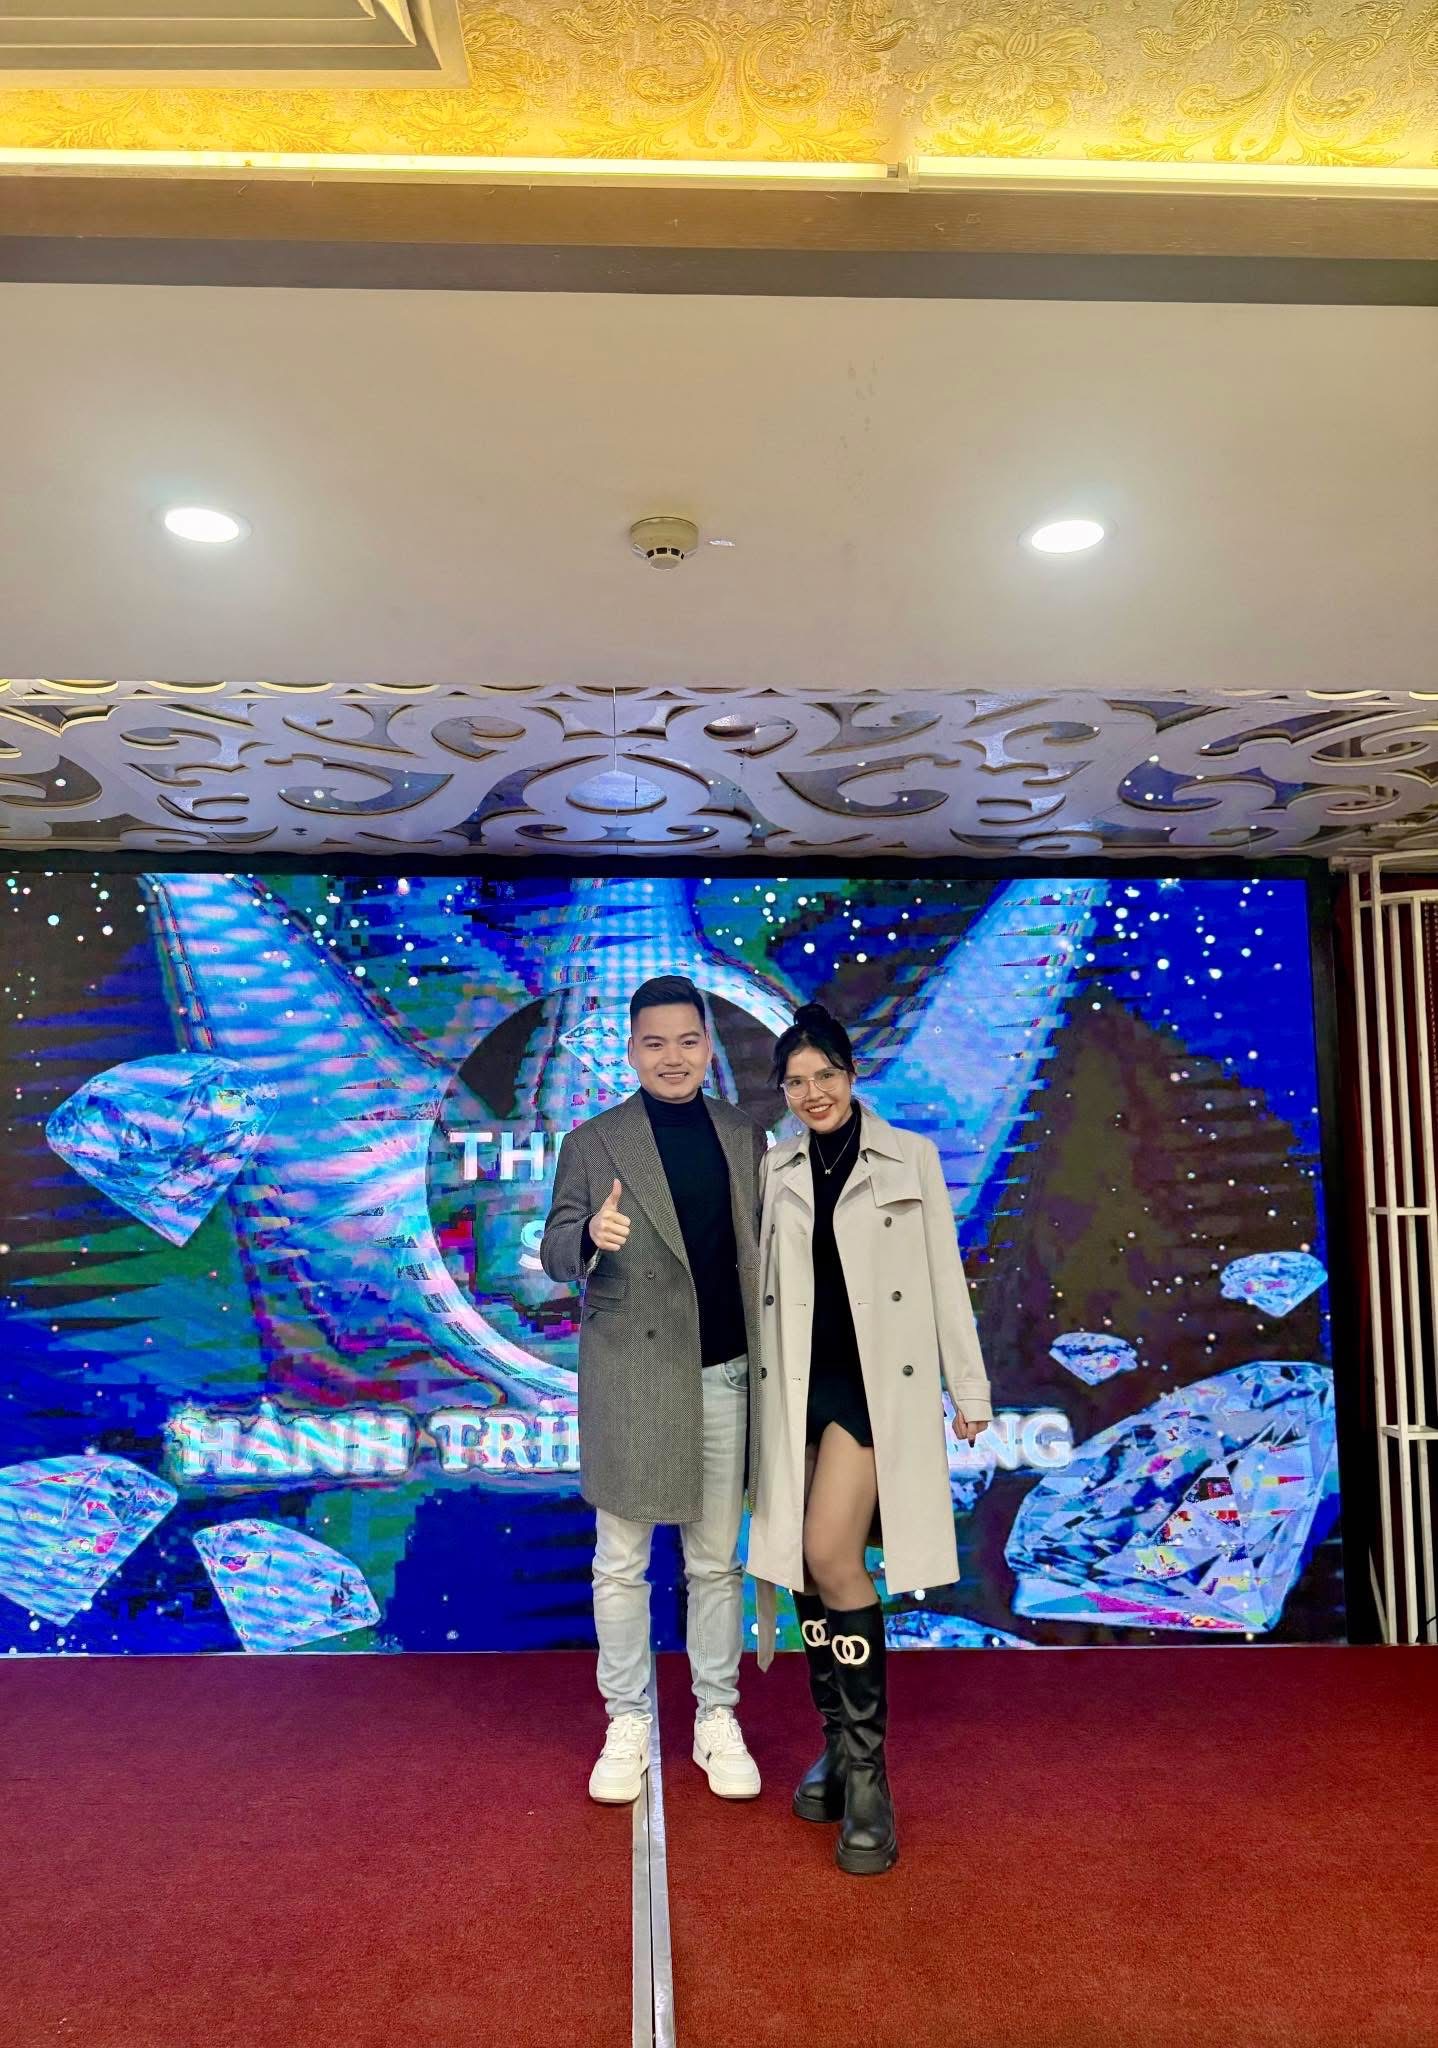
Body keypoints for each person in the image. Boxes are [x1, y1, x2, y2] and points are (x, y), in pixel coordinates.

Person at [747, 1001, 992, 1876]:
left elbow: (943, 1277)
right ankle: (835, 1748)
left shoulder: (907, 1156)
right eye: (796, 1082)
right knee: (806, 1568)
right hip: (794, 1387)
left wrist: (967, 1387)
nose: (812, 1092)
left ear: (852, 1076)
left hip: (870, 1388)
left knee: (830, 1554)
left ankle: (869, 1773)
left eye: (825, 1075)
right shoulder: (774, 1166)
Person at [541, 974, 767, 1806]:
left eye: (688, 1041)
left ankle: (716, 1715)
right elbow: (553, 1249)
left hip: (726, 1373)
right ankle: (627, 1719)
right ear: (631, 1051)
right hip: (634, 1375)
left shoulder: (744, 1134)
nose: (673, 1057)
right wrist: (588, 1236)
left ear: (708, 1047)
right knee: (621, 1563)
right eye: (655, 1043)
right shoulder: (594, 1141)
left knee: (716, 1563)